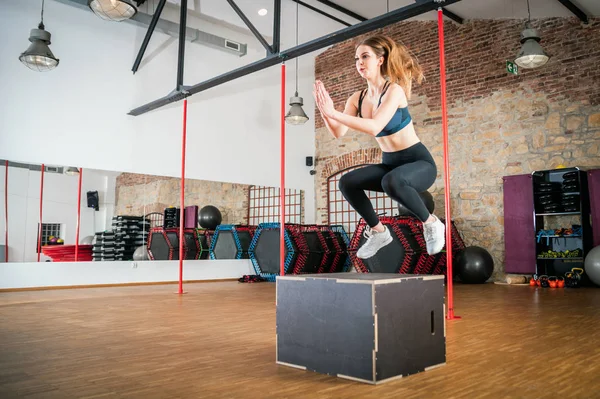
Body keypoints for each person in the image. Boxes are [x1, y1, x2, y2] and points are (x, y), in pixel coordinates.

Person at [313, 34, 445, 259]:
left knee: (391, 181)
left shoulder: (394, 91)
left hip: (418, 163)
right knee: (347, 182)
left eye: (365, 56)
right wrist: (325, 112)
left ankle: (432, 223)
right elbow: (338, 132)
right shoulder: (357, 98)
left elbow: (375, 126)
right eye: (356, 59)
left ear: (380, 59)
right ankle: (378, 232)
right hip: (390, 164)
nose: (359, 63)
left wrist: (333, 113)